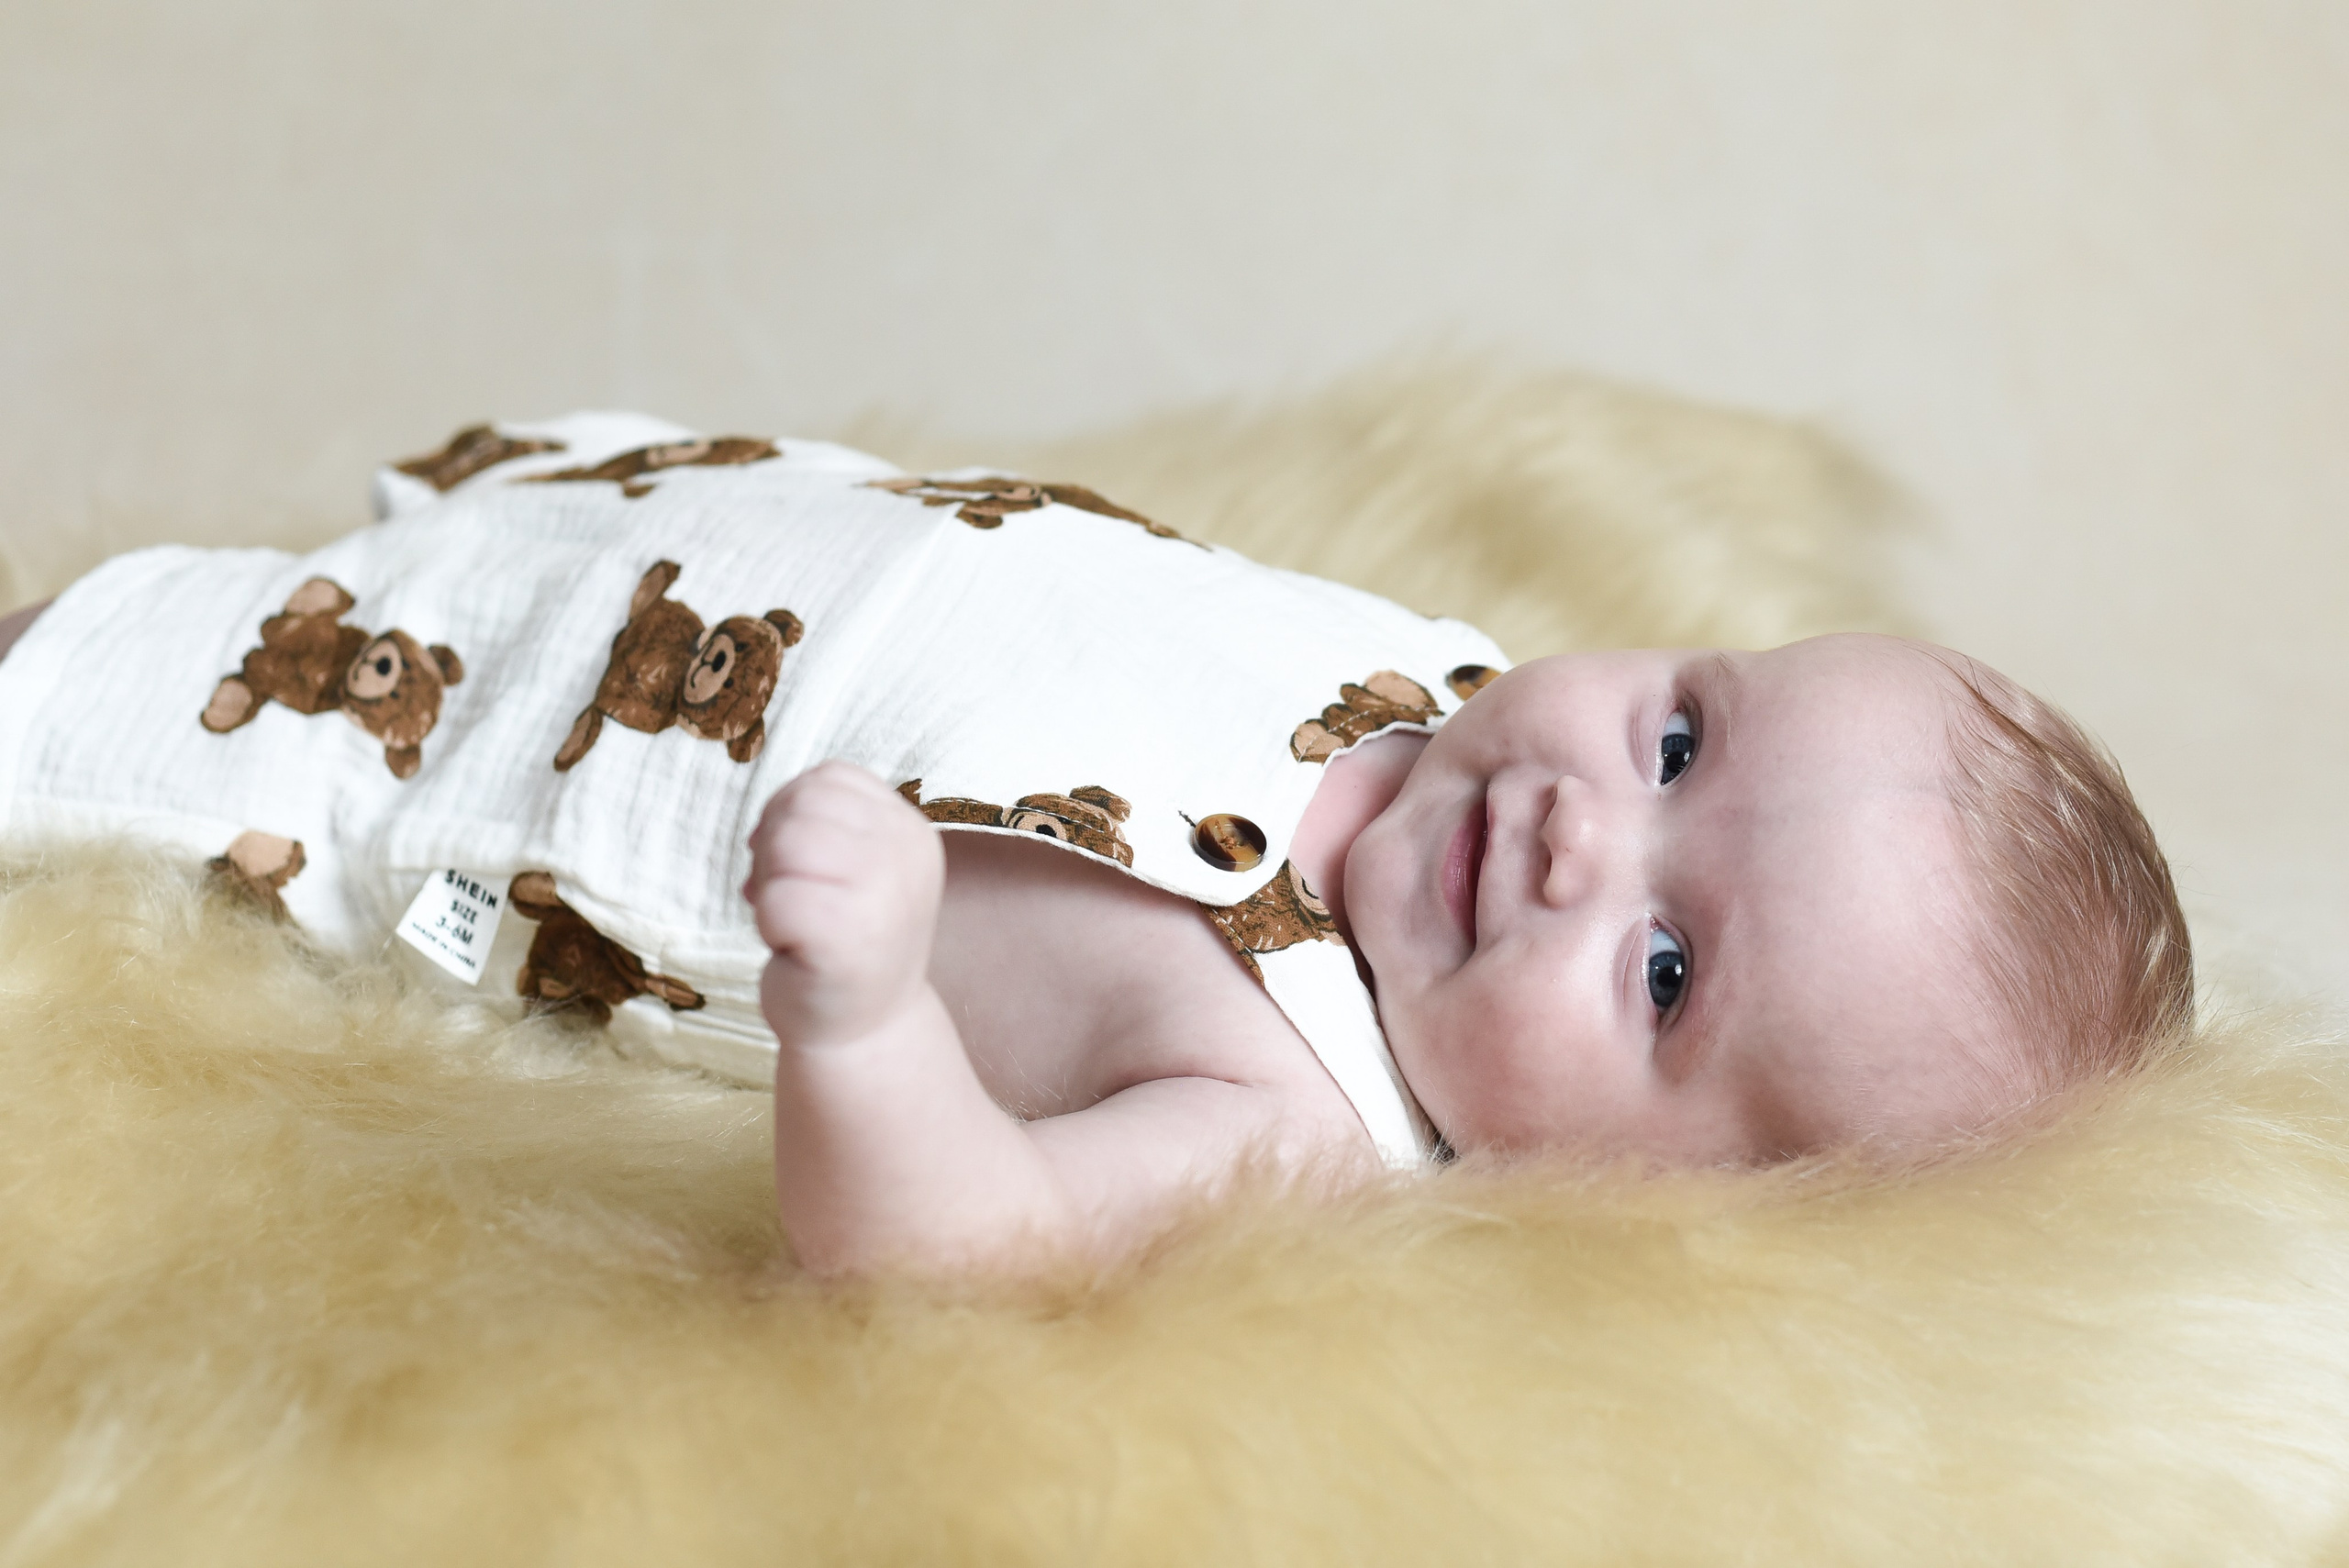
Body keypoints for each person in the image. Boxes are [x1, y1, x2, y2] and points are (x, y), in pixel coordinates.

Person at [0, 414, 2191, 1277]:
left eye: (1667, 973)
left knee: (72, 678)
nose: (1571, 831)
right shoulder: (1436, 684)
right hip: (612, 544)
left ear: (1652, 1211)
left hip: (407, 769)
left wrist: (865, 1025)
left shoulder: (1297, 1116)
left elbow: (953, 1252)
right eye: (1682, 734)